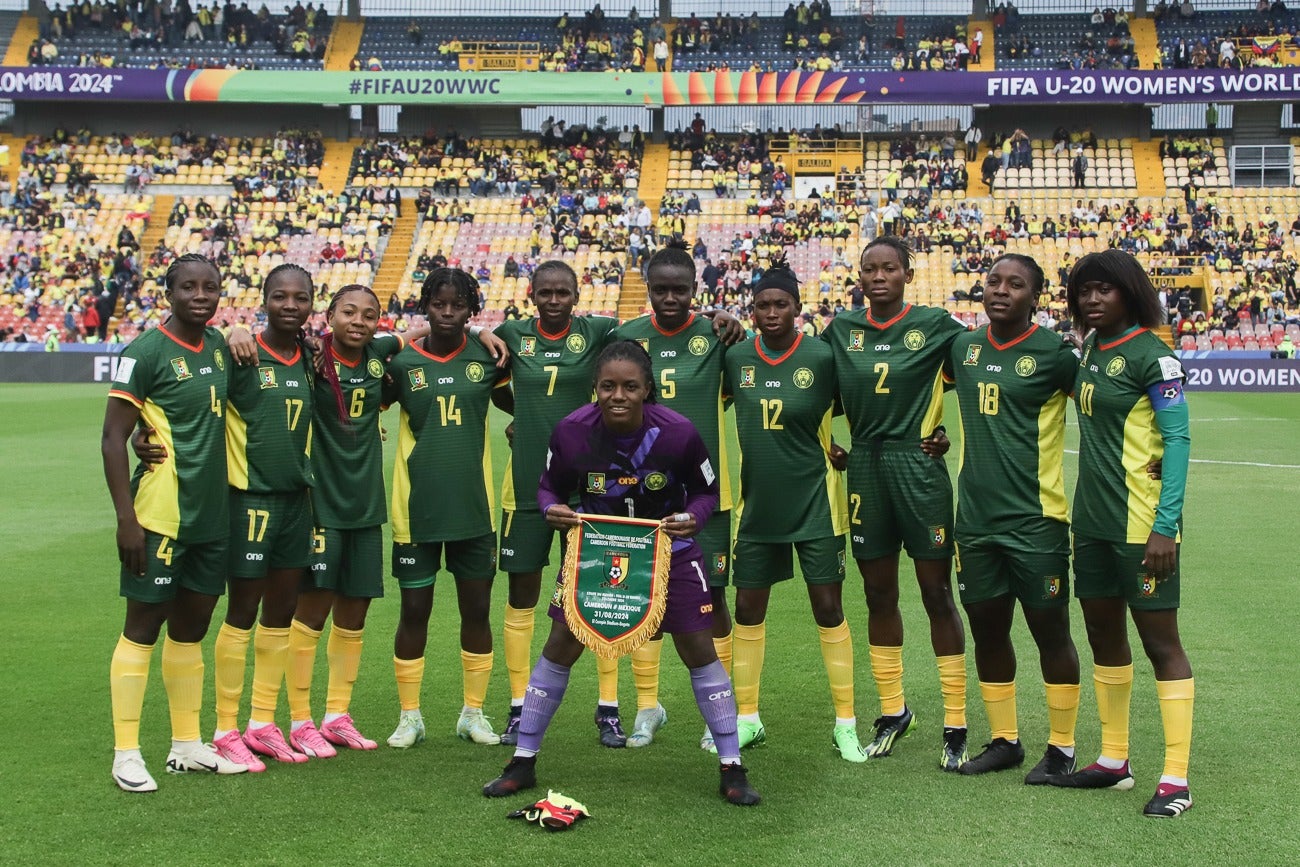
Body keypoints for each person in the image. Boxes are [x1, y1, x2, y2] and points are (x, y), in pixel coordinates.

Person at [481, 341, 760, 806]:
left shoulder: (679, 432)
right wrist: (554, 509)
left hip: (671, 551)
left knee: (699, 650)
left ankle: (732, 767)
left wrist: (695, 516)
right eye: (608, 386)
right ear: (594, 388)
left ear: (647, 389)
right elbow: (548, 487)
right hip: (597, 551)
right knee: (559, 646)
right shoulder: (571, 431)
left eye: (630, 386)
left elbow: (706, 492)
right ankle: (522, 760)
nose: (618, 395)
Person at [135, 264, 319, 769]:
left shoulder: (309, 354)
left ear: (310, 303)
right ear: (262, 300)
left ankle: (263, 723)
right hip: (247, 501)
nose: (289, 305)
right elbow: (194, 402)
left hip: (296, 501)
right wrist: (141, 432)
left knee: (280, 615)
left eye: (299, 298)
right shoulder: (238, 352)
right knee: (240, 614)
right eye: (278, 296)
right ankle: (224, 728)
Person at [1049, 250, 1194, 819]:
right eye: (1084, 290)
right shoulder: (1089, 349)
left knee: (1161, 644)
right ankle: (1114, 761)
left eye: (1105, 289)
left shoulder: (1154, 358)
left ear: (1130, 293)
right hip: (1092, 522)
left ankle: (1176, 779)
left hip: (1142, 528)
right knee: (1104, 638)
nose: (1092, 299)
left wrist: (1166, 527)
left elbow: (1178, 442)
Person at [820, 235, 970, 771]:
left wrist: (944, 431)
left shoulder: (935, 326)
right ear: (858, 277)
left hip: (918, 467)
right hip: (864, 465)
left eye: (889, 268)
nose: (878, 276)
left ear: (908, 273)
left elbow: (976, 372)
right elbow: (812, 387)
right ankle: (893, 710)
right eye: (869, 269)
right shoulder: (841, 329)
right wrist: (827, 441)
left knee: (936, 594)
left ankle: (955, 719)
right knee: (879, 594)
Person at [102, 254, 248, 792]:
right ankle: (125, 753)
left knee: (191, 630)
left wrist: (237, 329)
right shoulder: (144, 352)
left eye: (210, 286)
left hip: (213, 517)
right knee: (141, 629)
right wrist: (126, 521)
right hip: (160, 515)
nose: (200, 295)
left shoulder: (217, 346)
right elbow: (114, 437)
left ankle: (186, 745)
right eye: (188, 286)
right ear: (169, 293)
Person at [722, 258, 867, 763]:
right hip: (758, 507)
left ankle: (845, 724)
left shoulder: (823, 358)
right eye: (762, 305)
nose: (771, 312)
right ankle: (747, 719)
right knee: (747, 610)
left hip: (817, 504)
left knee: (828, 608)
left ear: (799, 309)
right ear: (753, 310)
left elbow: (861, 406)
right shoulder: (736, 358)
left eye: (781, 304)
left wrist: (844, 449)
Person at [945, 255, 1082, 782]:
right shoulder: (964, 347)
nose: (1000, 290)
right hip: (975, 522)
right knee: (988, 630)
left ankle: (1063, 747)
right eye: (994, 281)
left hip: (1037, 520)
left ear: (1036, 296)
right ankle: (1005, 740)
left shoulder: (1055, 355)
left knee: (1051, 631)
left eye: (1015, 284)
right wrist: (933, 437)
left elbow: (1102, 407)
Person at [611, 243, 737, 751]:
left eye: (679, 290)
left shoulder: (718, 335)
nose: (669, 298)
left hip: (706, 491)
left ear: (695, 290)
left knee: (715, 597)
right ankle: (648, 706)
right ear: (648, 288)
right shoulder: (626, 338)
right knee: (641, 594)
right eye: (659, 289)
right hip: (640, 493)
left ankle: (719, 711)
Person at [383, 269, 513, 749]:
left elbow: (522, 404)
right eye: (438, 304)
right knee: (414, 610)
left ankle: (472, 714)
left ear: (471, 309)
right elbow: (357, 403)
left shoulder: (489, 356)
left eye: (458, 305)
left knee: (476, 610)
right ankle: (409, 716)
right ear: (425, 306)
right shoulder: (400, 364)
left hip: (473, 511)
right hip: (415, 511)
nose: (447, 313)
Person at [280, 285, 408, 757]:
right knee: (310, 615)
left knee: (354, 615)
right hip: (321, 508)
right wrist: (235, 328)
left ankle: (336, 715)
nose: (359, 321)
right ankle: (299, 720)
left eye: (369, 314)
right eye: (348, 312)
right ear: (329, 316)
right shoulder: (306, 355)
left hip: (366, 508)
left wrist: (478, 330)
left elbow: (413, 335)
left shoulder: (378, 352)